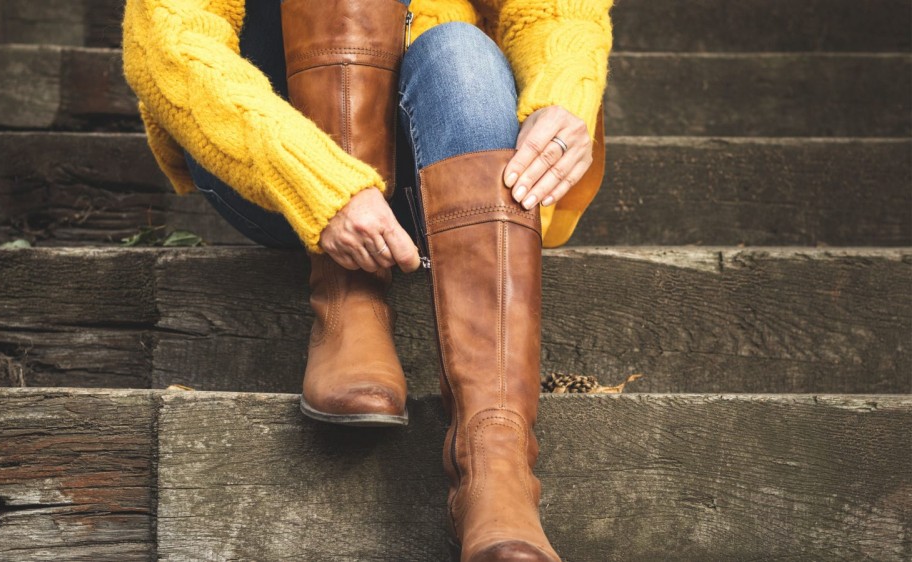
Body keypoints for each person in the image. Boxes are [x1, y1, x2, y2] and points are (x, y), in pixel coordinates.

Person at [122, 0, 612, 559]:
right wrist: (314, 180)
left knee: (465, 52)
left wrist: (564, 97)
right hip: (275, 155)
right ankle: (348, 300)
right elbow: (168, 40)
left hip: (448, 160)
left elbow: (554, 12)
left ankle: (496, 461)